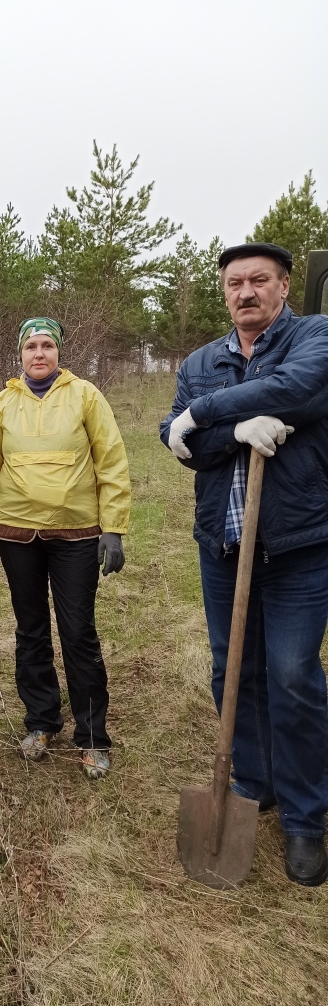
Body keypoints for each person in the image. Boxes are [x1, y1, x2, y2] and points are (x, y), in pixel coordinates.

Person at [161, 242, 328, 887]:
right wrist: (230, 431)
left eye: (260, 280)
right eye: (235, 283)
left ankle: (307, 817)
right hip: (224, 547)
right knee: (234, 668)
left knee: (291, 674)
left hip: (299, 548)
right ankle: (254, 786)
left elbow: (297, 387)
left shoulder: (314, 336)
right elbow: (178, 441)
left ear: (284, 286)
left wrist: (203, 413)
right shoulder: (203, 360)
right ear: (224, 292)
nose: (247, 292)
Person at [0, 317, 131, 775]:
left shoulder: (85, 396)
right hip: (17, 535)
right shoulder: (3, 403)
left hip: (76, 534)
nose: (39, 353)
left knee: (78, 632)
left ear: (59, 353)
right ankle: (40, 720)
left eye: (47, 345)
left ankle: (93, 736)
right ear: (20, 354)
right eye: (31, 346)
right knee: (30, 629)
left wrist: (113, 527)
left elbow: (111, 460)